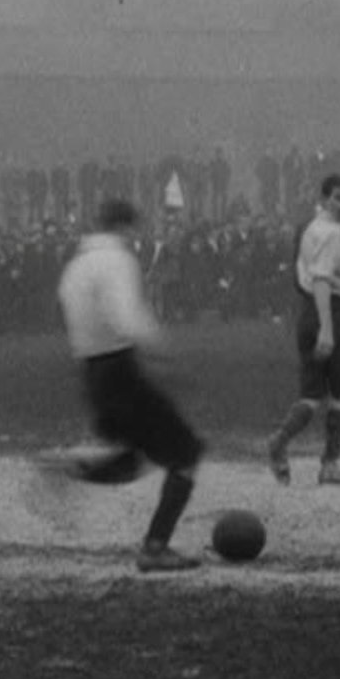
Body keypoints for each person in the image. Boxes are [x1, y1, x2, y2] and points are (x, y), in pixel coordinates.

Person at [56, 197, 204, 573]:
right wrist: (163, 352)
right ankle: (155, 548)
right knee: (186, 452)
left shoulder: (75, 265)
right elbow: (127, 316)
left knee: (135, 456)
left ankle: (71, 467)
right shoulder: (117, 260)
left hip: (91, 372)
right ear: (126, 227)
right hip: (121, 369)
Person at [267, 173, 340, 486]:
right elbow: (323, 279)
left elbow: (310, 278)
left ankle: (280, 441)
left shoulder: (308, 228)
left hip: (310, 310)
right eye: (338, 198)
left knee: (311, 395)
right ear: (323, 200)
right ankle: (330, 464)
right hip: (327, 313)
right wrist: (329, 326)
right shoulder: (332, 232)